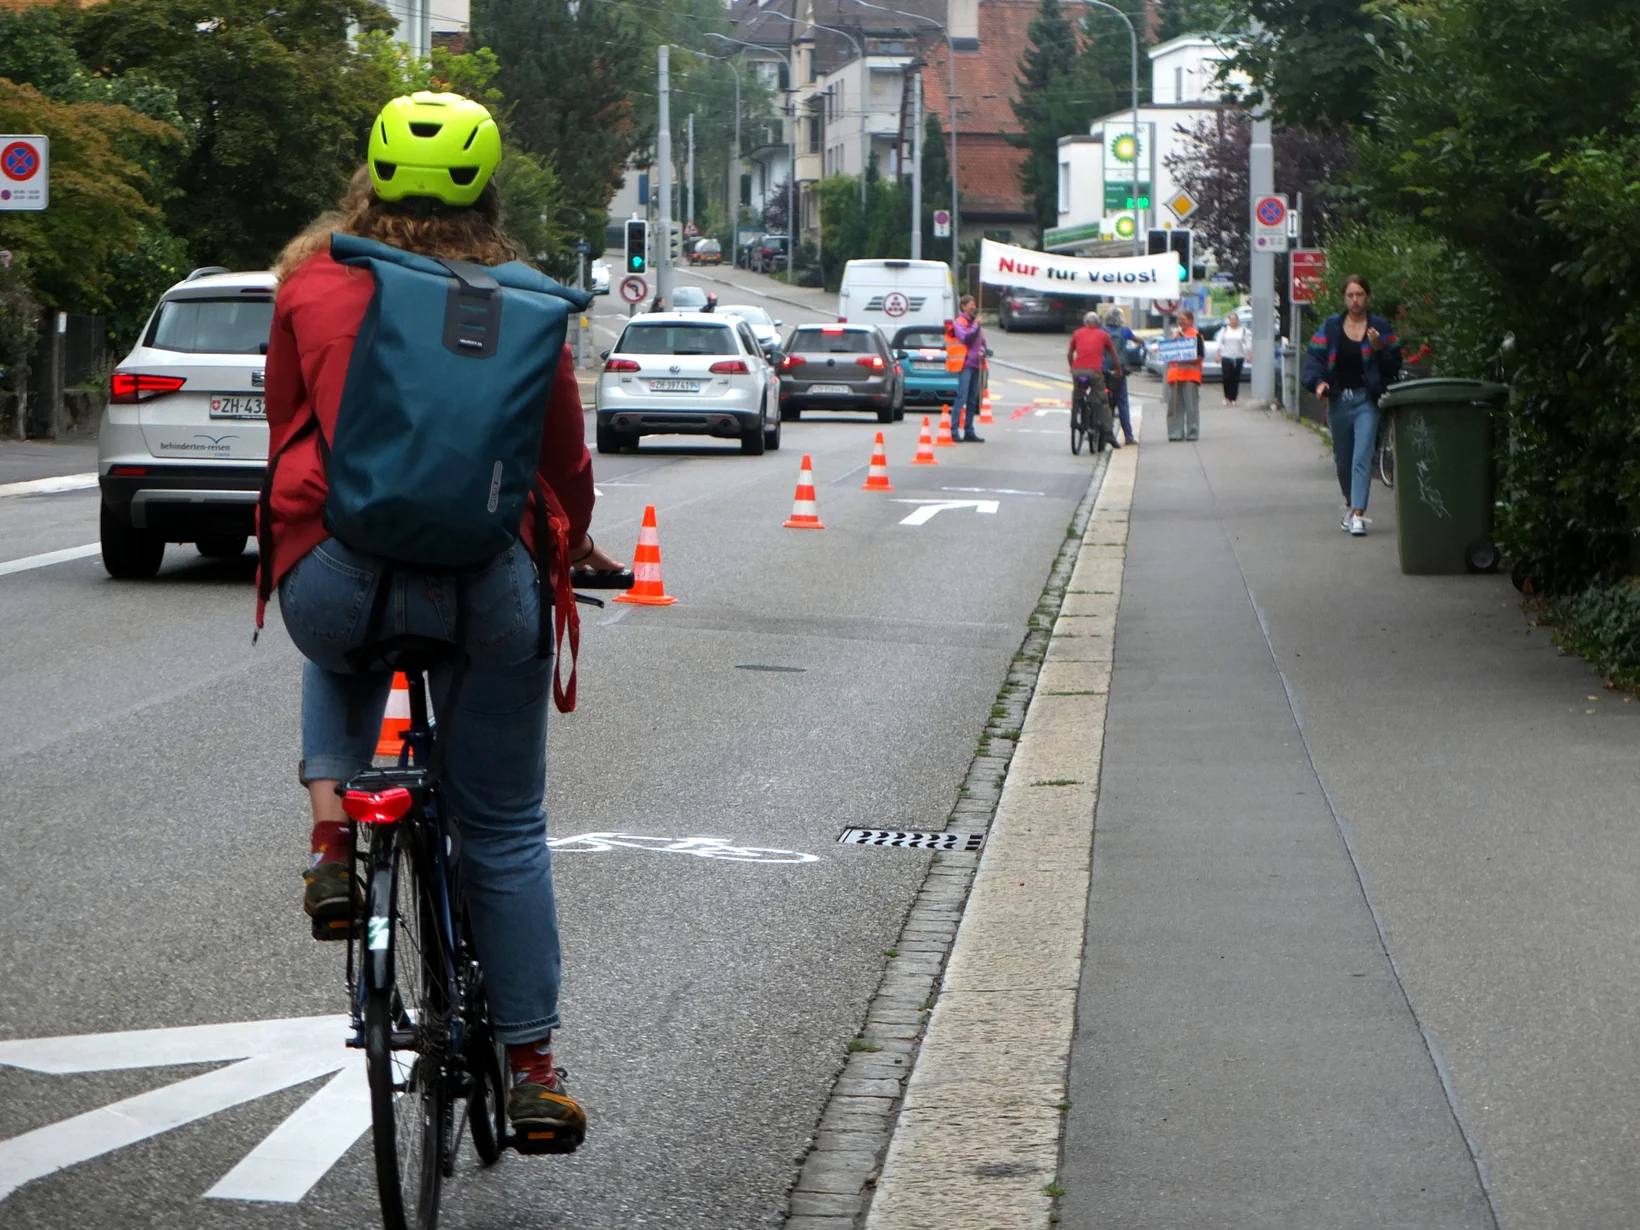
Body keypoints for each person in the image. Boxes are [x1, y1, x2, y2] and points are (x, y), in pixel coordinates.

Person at [258, 93, 624, 1149]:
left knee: (335, 626)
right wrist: (578, 544)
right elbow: (561, 462)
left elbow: (289, 433)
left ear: (366, 181)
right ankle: (532, 1070)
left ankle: (334, 833)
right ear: (489, 190)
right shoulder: (523, 303)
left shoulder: (312, 281)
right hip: (483, 584)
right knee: (503, 827)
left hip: (343, 575)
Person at [1302, 273, 1402, 536]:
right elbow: (1314, 356)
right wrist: (1318, 383)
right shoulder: (1332, 326)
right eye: (1350, 295)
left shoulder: (1378, 326)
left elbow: (1394, 365)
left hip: (1366, 400)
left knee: (1362, 457)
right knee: (1343, 459)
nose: (1355, 300)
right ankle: (1350, 501)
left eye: (1359, 294)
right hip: (1338, 400)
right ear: (1344, 298)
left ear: (1367, 296)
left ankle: (1358, 514)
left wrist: (1379, 347)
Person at [1067, 310, 1124, 450]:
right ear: (1098, 323)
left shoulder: (1077, 333)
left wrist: (1072, 368)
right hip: (1094, 372)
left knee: (1077, 390)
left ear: (1085, 322)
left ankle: (1076, 409)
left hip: (1077, 371)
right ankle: (1109, 433)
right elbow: (1114, 354)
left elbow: (1069, 353)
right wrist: (1118, 370)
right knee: (1103, 400)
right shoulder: (1103, 335)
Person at [1165, 308, 1205, 441]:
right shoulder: (1175, 336)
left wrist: (1186, 357)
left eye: (1183, 319)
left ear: (1191, 321)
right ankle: (1175, 434)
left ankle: (1192, 433)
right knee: (1174, 407)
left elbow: (1200, 356)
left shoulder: (1196, 335)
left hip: (1190, 376)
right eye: (1179, 319)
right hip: (1175, 376)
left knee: (1191, 407)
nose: (1181, 321)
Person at [950, 294, 986, 442]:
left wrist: (982, 351)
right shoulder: (959, 322)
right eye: (971, 304)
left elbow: (981, 341)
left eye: (974, 304)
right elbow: (966, 338)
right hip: (965, 364)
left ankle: (969, 430)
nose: (974, 307)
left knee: (972, 399)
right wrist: (976, 325)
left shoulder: (974, 323)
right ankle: (954, 430)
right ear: (963, 307)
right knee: (962, 397)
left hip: (976, 364)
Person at [1103, 308, 1139, 446]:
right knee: (1122, 403)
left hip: (1104, 369)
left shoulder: (1102, 331)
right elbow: (1136, 340)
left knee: (1101, 400)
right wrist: (1142, 342)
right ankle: (1128, 437)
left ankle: (1100, 429)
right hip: (1119, 370)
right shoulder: (1125, 331)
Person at [1218, 312, 1246, 403]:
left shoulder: (1242, 330)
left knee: (1235, 377)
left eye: (1235, 319)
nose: (1233, 321)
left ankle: (1233, 398)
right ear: (1229, 320)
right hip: (1226, 355)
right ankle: (1226, 396)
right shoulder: (1225, 330)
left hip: (1238, 356)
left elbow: (1248, 343)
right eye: (1231, 319)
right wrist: (1218, 354)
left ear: (1237, 320)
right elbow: (1219, 342)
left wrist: (1249, 355)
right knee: (1226, 377)